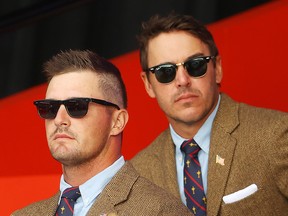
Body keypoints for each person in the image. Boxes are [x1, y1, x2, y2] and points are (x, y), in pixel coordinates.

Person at [131, 13, 288, 216]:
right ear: (147, 84)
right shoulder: (138, 174)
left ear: (218, 68)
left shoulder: (276, 134)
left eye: (195, 65)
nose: (182, 80)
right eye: (165, 72)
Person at [11, 50, 193, 216]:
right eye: (49, 108)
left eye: (76, 106)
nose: (59, 119)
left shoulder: (161, 211)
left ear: (117, 122)